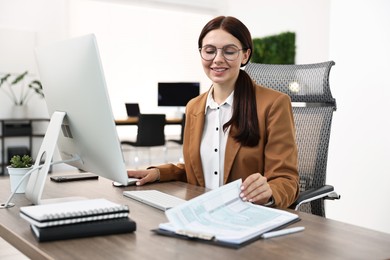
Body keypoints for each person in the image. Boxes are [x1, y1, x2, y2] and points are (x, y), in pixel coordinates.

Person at [127, 16, 299, 208]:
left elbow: (287, 180)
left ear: (245, 55)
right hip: (201, 211)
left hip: (247, 216)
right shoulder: (194, 107)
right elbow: (198, 170)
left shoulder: (274, 104)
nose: (217, 59)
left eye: (229, 51)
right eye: (209, 51)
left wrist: (270, 192)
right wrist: (160, 173)